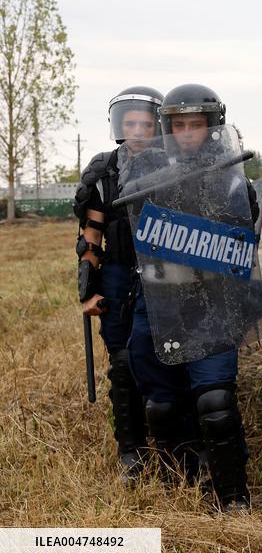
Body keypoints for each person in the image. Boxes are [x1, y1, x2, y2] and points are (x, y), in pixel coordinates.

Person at [123, 83, 262, 511]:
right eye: (178, 125)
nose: (186, 133)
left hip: (212, 302)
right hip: (160, 301)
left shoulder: (233, 180)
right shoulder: (143, 175)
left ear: (212, 126)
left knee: (215, 401)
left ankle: (233, 496)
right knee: (161, 406)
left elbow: (241, 240)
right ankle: (182, 482)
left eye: (195, 124)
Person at [74, 85, 163, 481]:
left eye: (146, 123)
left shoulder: (175, 165)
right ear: (118, 125)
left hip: (162, 272)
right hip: (117, 272)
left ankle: (173, 437)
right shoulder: (105, 171)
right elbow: (91, 237)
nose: (138, 130)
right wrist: (88, 290)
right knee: (123, 361)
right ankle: (132, 448)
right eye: (130, 123)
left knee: (164, 355)